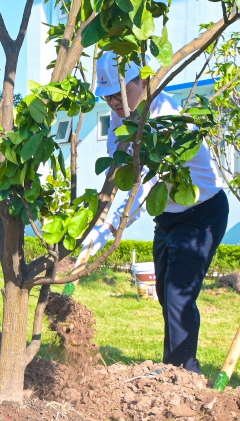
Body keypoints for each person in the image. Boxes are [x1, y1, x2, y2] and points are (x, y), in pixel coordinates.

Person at [78, 53, 227, 373]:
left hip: (202, 214)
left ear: (144, 82)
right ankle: (176, 367)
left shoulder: (167, 119)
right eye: (107, 96)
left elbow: (143, 184)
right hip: (169, 216)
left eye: (119, 94)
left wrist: (106, 232)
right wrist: (97, 222)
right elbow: (120, 170)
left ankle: (184, 372)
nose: (113, 102)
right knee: (165, 293)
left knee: (178, 296)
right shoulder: (124, 114)